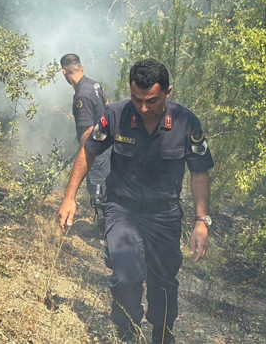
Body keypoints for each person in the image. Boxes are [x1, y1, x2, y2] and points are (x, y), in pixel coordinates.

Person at [58, 59, 214, 344]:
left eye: (151, 100)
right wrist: (69, 198)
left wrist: (201, 221)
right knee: (126, 276)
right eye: (137, 99)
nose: (143, 108)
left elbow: (199, 172)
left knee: (164, 283)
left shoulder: (185, 122)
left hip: (164, 216)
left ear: (168, 91)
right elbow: (88, 151)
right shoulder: (115, 114)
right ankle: (128, 332)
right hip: (122, 210)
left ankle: (163, 334)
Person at [60, 53, 110, 235]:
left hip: (96, 152)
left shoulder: (82, 95)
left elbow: (88, 132)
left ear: (64, 73)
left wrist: (83, 154)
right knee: (106, 188)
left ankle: (106, 235)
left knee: (99, 194)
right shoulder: (94, 84)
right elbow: (107, 105)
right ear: (82, 67)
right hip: (107, 147)